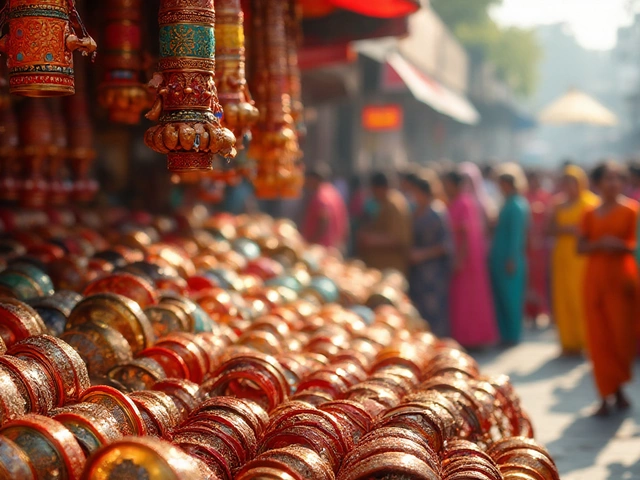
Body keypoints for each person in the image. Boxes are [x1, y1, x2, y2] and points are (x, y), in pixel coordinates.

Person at [578, 161, 639, 416]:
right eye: (608, 179)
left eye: (618, 178)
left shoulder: (632, 211)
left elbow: (634, 245)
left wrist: (619, 245)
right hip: (595, 280)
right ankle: (604, 394)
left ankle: (620, 388)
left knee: (621, 337)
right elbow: (580, 247)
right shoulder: (589, 214)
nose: (613, 184)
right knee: (598, 337)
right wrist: (600, 244)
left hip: (623, 281)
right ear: (598, 184)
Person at [443, 169, 498, 348]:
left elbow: (466, 233)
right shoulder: (456, 202)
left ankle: (474, 337)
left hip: (467, 260)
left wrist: (460, 259)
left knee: (470, 299)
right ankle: (465, 337)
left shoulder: (464, 203)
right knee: (462, 299)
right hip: (463, 257)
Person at [550, 165, 599, 355]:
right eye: (566, 182)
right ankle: (569, 342)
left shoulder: (590, 202)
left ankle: (587, 341)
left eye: (574, 182)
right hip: (562, 254)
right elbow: (550, 229)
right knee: (563, 297)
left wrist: (577, 231)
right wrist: (567, 230)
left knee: (581, 296)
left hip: (581, 256)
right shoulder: (558, 204)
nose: (570, 186)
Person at [407, 172, 454, 337]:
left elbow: (446, 245)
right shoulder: (415, 211)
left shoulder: (437, 212)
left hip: (433, 271)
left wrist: (423, 254)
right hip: (417, 271)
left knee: (435, 310)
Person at [489, 164, 530, 345]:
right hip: (500, 256)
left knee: (511, 299)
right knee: (502, 297)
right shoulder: (508, 203)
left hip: (509, 258)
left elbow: (517, 235)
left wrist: (512, 258)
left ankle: (512, 335)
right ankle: (505, 334)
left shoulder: (516, 205)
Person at [358, 171, 412, 275]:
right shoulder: (384, 202)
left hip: (391, 268)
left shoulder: (394, 205)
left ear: (380, 188)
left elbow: (399, 239)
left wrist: (370, 240)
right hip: (379, 266)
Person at [300, 164, 349, 252]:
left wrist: (311, 243)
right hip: (333, 245)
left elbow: (324, 220)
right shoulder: (332, 192)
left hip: (320, 247)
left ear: (314, 179)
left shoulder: (321, 197)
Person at [525, 170, 553, 323]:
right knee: (529, 279)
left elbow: (549, 219)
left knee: (540, 279)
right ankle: (529, 311)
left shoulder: (545, 196)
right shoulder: (524, 197)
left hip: (541, 246)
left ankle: (541, 310)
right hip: (528, 246)